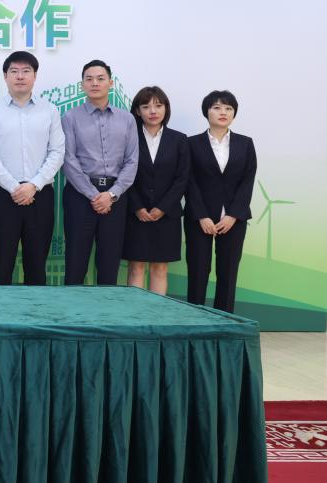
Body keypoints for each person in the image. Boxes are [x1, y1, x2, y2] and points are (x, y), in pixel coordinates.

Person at [0, 51, 65, 285]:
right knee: (1, 263)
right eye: (14, 71)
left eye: (26, 71)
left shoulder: (49, 110)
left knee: (37, 264)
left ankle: (35, 308)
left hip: (40, 195)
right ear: (5, 76)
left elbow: (57, 152)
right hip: (3, 195)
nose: (20, 76)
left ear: (35, 76)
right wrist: (14, 187)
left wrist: (33, 185)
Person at [61, 59, 139, 285]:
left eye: (100, 78)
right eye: (89, 79)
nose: (94, 83)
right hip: (79, 196)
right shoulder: (70, 117)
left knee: (109, 261)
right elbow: (68, 159)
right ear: (82, 85)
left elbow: (132, 160)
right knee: (75, 260)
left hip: (115, 197)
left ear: (110, 83)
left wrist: (112, 194)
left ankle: (106, 307)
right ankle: (72, 306)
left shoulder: (127, 119)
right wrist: (93, 195)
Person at [184, 90, 256, 313]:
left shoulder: (245, 143)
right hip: (199, 218)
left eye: (228, 108)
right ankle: (195, 320)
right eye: (217, 107)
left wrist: (233, 215)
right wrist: (201, 216)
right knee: (198, 270)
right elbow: (188, 182)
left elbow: (247, 181)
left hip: (234, 219)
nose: (223, 112)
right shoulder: (191, 143)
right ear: (207, 112)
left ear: (234, 113)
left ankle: (224, 321)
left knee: (228, 271)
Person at [123, 86, 189, 295]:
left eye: (158, 106)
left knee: (160, 268)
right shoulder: (128, 137)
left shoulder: (179, 139)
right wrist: (137, 207)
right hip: (136, 214)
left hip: (167, 215)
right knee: (136, 266)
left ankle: (156, 312)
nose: (153, 111)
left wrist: (163, 207)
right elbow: (123, 174)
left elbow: (182, 178)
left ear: (166, 109)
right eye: (146, 106)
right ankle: (136, 312)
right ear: (137, 111)